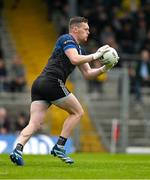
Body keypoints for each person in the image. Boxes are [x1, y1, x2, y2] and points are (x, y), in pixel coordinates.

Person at [10, 16, 118, 166]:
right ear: (75, 29)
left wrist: (104, 68)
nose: (88, 32)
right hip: (52, 82)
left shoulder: (80, 49)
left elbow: (87, 74)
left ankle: (17, 148)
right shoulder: (66, 39)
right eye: (85, 29)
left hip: (40, 84)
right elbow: (74, 59)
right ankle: (60, 146)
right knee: (78, 112)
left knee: (34, 123)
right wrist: (96, 55)